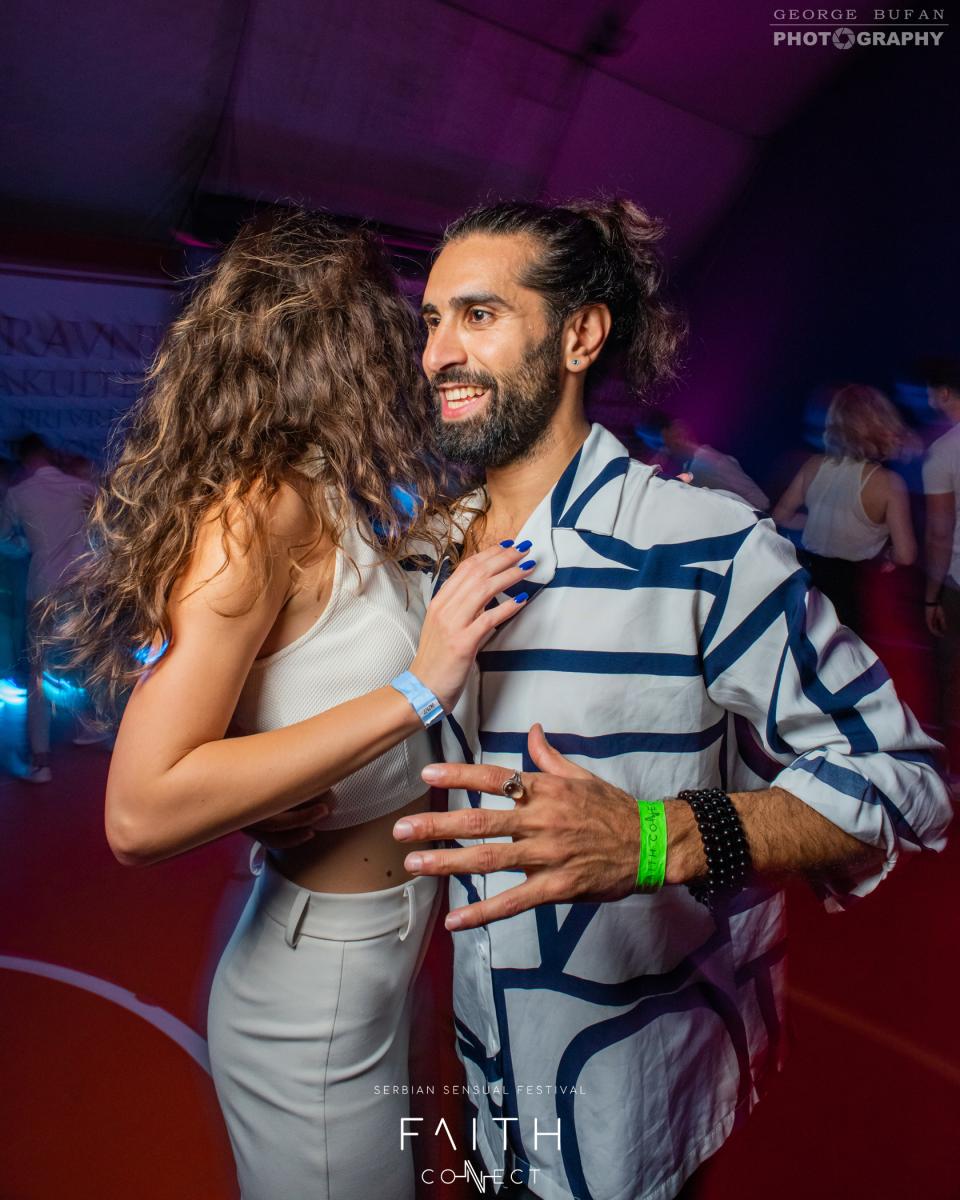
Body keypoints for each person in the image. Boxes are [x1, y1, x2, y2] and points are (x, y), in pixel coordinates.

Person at [379, 199, 950, 1200]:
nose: (438, 354)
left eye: (478, 315)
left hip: (634, 1100)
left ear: (580, 335)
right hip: (486, 1069)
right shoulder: (426, 553)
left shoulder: (707, 546)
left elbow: (903, 781)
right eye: (431, 322)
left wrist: (656, 838)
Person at [43, 209, 532, 1200]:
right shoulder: (254, 512)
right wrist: (415, 689)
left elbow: (294, 676)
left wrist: (269, 778)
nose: (419, 351)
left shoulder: (337, 489)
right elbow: (140, 810)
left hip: (383, 960)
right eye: (398, 323)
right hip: (316, 997)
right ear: (342, 344)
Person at [772, 384, 916, 632]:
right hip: (855, 588)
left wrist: (817, 522)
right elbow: (906, 554)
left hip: (809, 579)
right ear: (881, 424)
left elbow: (781, 516)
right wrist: (889, 556)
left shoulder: (813, 465)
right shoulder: (888, 483)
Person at [0, 433, 97, 781]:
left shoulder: (19, 493)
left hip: (42, 588)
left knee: (38, 673)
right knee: (87, 659)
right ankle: (94, 726)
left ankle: (41, 761)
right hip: (81, 587)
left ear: (25, 459)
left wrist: (27, 547)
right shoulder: (81, 488)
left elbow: (3, 539)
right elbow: (106, 530)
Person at [921, 359, 960, 785]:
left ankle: (953, 774)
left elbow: (939, 531)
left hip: (957, 583)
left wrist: (931, 595)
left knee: (950, 683)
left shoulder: (945, 451)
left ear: (943, 393)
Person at [646, 410, 769, 509]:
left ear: (678, 429)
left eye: (664, 443)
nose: (663, 450)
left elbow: (761, 501)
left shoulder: (713, 460)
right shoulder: (686, 468)